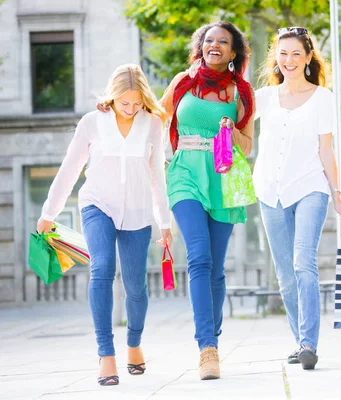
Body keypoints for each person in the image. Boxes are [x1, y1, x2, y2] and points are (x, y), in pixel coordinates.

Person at [37, 64, 172, 386]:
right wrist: (48, 213)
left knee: (136, 286)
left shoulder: (153, 124)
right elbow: (70, 168)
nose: (131, 108)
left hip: (138, 213)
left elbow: (158, 176)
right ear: (112, 98)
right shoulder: (92, 123)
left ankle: (135, 344)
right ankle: (106, 354)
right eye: (124, 103)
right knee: (101, 268)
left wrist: (164, 222)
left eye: (137, 103)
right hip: (97, 204)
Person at [159, 21, 255, 380]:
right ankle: (206, 348)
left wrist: (230, 132)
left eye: (223, 42)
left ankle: (212, 337)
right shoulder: (183, 81)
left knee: (215, 266)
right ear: (201, 46)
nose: (214, 45)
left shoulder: (240, 92)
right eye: (209, 40)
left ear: (233, 52)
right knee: (197, 256)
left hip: (223, 179)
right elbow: (155, 116)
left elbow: (248, 144)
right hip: (184, 173)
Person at [253, 27, 341, 370]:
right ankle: (300, 340)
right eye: (283, 53)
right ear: (275, 57)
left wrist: (337, 195)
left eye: (297, 53)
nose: (289, 60)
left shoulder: (323, 97)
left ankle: (309, 342)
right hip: (269, 190)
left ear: (309, 57)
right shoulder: (262, 97)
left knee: (302, 263)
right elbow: (235, 126)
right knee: (284, 272)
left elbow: (326, 149)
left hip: (310, 187)